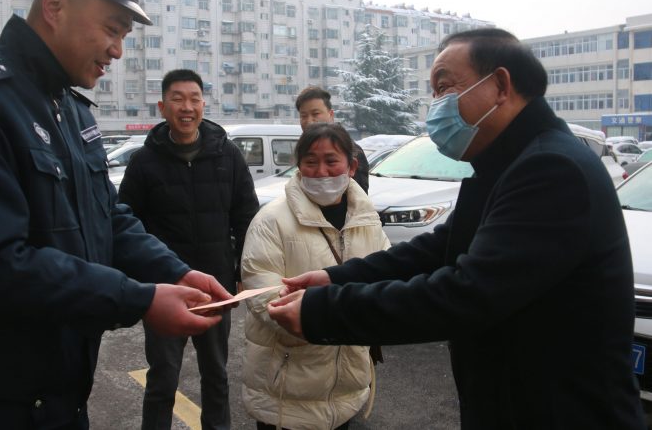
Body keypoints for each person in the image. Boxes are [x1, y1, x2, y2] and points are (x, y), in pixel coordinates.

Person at [0, 0, 232, 429]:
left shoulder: (71, 111)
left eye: (123, 35)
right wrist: (139, 299)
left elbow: (109, 217)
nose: (118, 50)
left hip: (62, 398)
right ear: (55, 6)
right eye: (112, 29)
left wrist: (176, 272)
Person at [268, 29, 646, 428]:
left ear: (500, 86)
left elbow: (467, 293)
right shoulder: (505, 163)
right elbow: (438, 249)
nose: (436, 105)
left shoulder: (551, 169)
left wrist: (323, 311)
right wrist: (336, 278)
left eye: (445, 87)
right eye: (433, 93)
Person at [118, 69, 259, 430]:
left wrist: (241, 272)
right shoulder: (144, 161)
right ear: (162, 107)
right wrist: (141, 279)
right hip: (166, 287)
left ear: (203, 105)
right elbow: (126, 222)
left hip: (216, 286)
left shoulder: (227, 155)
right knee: (163, 377)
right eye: (178, 99)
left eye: (194, 98)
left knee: (217, 375)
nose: (187, 107)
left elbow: (246, 215)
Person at [240, 123, 389, 430]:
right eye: (311, 161)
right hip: (285, 394)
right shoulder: (270, 221)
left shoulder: (367, 219)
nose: (321, 172)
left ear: (352, 166)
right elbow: (262, 293)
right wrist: (331, 317)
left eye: (331, 160)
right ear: (299, 166)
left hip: (346, 390)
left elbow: (385, 275)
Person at [295, 87, 370, 193]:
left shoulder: (351, 150)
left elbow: (359, 195)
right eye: (303, 116)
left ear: (331, 115)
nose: (309, 121)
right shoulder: (303, 148)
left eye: (315, 114)